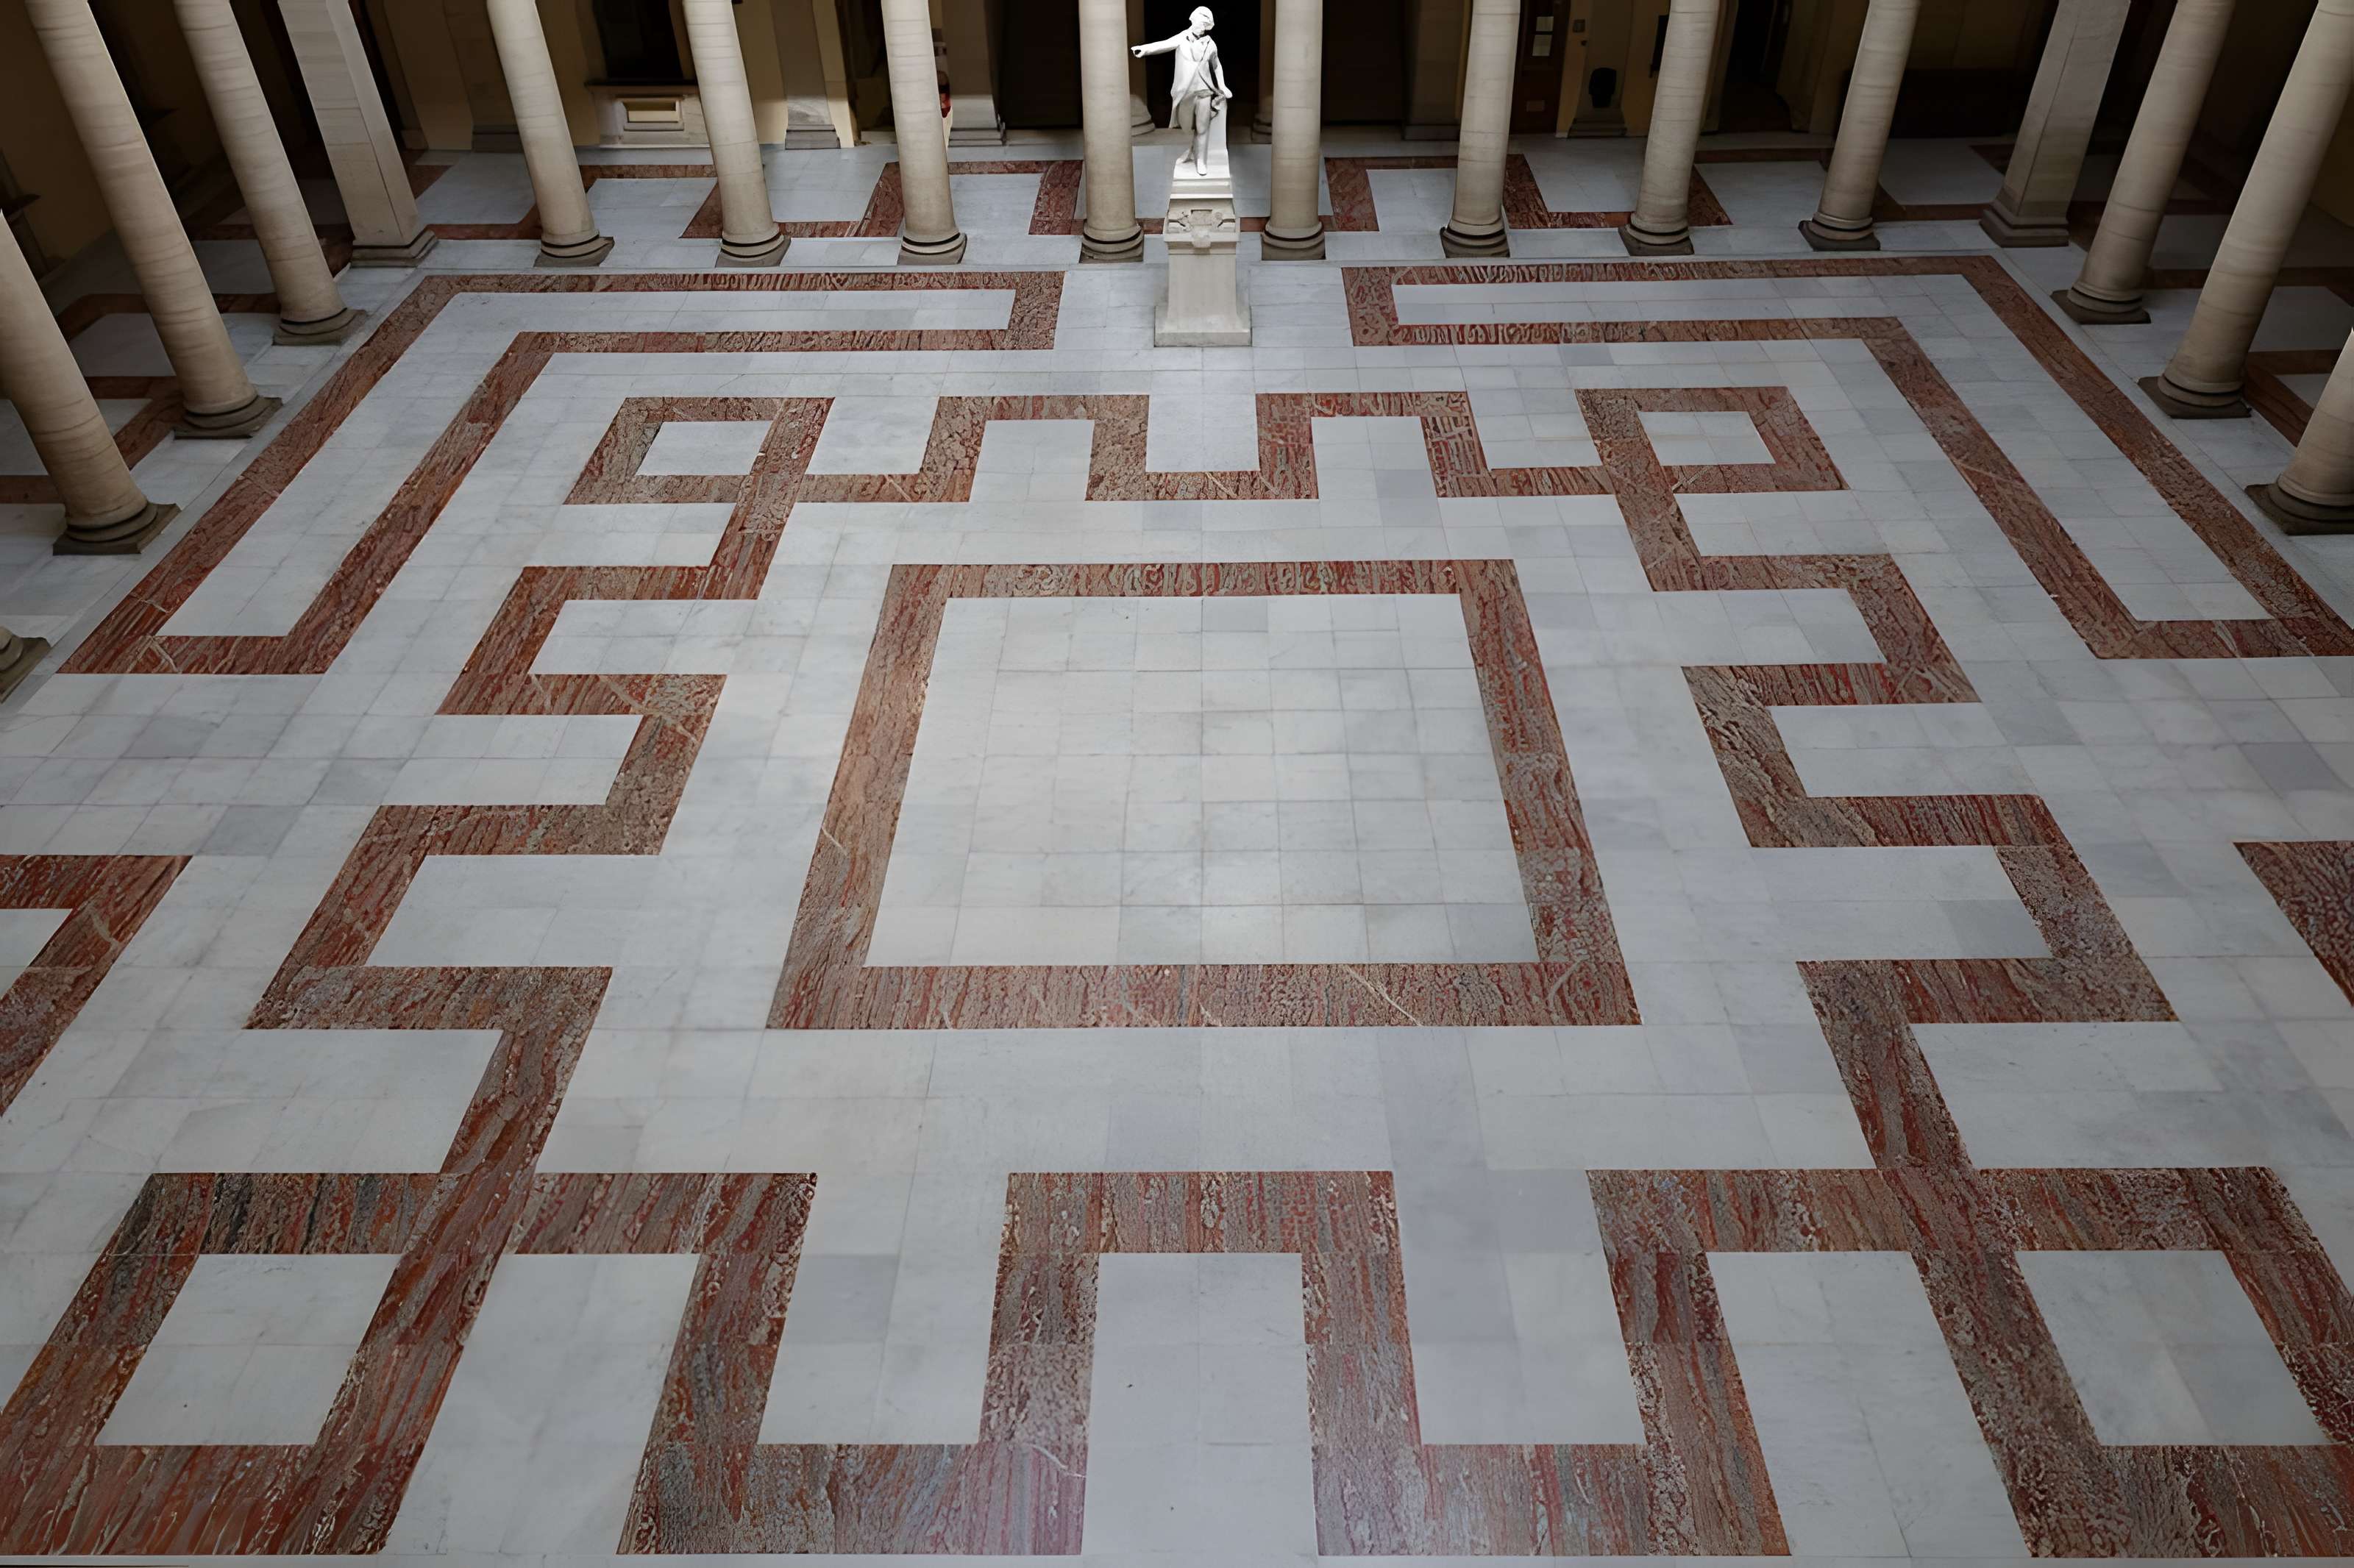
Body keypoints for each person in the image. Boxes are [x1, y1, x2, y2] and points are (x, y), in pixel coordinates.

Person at [1132, 7, 1232, 177]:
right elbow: (1164, 44)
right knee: (1187, 127)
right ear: (1193, 20)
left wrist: (1222, 86)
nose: (1203, 27)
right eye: (1201, 23)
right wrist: (1144, 49)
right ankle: (1191, 151)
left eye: (1206, 25)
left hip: (1204, 91)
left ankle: (1201, 161)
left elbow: (1217, 66)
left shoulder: (1210, 44)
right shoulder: (1182, 38)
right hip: (1185, 92)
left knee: (1202, 128)